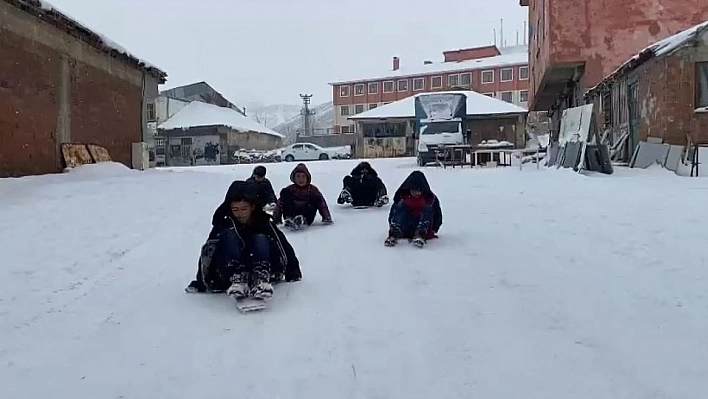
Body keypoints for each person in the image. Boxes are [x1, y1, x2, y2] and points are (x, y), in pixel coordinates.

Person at [185, 180, 301, 299]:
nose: (240, 214)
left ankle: (260, 279)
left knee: (260, 238)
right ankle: (238, 278)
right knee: (229, 235)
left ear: (253, 207)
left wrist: (292, 271)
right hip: (228, 272)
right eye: (235, 210)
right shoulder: (224, 224)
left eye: (244, 209)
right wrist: (201, 281)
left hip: (262, 265)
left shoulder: (263, 222)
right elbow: (209, 251)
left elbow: (282, 244)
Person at [385, 170, 443, 247]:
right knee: (401, 205)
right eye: (415, 190)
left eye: (419, 191)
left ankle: (419, 235)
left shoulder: (430, 199)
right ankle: (394, 234)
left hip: (423, 228)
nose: (417, 193)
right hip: (405, 227)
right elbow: (394, 213)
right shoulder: (402, 197)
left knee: (428, 208)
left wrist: (434, 229)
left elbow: (437, 215)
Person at [273, 163, 333, 229]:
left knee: (316, 197)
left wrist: (326, 217)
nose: (301, 179)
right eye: (298, 176)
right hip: (292, 212)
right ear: (294, 178)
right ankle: (290, 219)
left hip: (307, 213)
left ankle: (303, 220)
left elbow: (322, 203)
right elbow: (279, 204)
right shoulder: (290, 189)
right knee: (285, 193)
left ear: (307, 178)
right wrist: (276, 219)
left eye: (303, 176)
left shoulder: (312, 189)